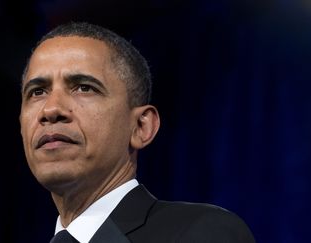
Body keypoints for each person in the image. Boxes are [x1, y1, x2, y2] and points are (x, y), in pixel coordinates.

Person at [19, 22, 255, 243]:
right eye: (37, 92)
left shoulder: (201, 233)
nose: (51, 109)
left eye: (84, 88)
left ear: (142, 127)